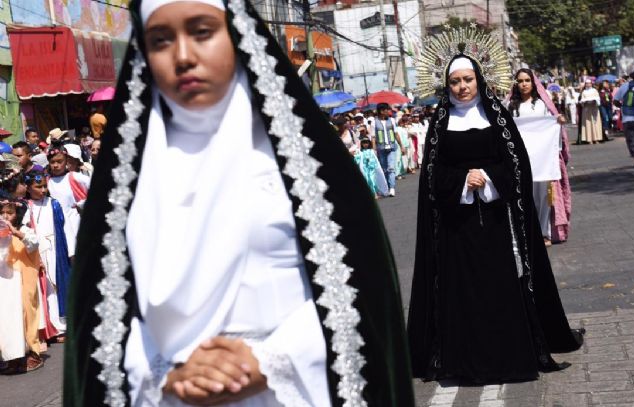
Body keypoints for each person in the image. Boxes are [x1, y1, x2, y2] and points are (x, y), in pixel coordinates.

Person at [64, 0, 413, 405]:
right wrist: (166, 370)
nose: (182, 56)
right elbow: (105, 325)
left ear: (237, 35)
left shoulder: (306, 168)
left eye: (202, 32)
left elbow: (362, 300)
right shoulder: (126, 188)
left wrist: (273, 360)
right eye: (160, 40)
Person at [409, 30, 584, 385]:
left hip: (496, 220)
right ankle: (464, 360)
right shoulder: (440, 125)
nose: (461, 87)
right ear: (446, 84)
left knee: (502, 287)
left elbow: (516, 166)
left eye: (467, 80)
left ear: (479, 79)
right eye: (455, 81)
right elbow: (431, 175)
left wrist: (487, 179)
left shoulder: (499, 119)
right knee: (463, 292)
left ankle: (509, 354)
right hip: (457, 226)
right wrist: (461, 180)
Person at [506, 68, 567, 247]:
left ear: (533, 83)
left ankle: (544, 233)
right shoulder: (510, 106)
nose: (524, 84)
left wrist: (558, 121)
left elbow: (551, 125)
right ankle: (527, 233)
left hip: (542, 158)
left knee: (544, 196)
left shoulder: (542, 104)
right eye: (520, 81)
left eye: (527, 80)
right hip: (521, 158)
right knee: (525, 195)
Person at [23, 171, 69, 344]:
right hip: (34, 251)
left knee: (54, 287)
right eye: (38, 186)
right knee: (39, 290)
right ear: (28, 188)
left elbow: (64, 230)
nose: (43, 190)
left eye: (44, 186)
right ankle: (43, 328)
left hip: (53, 250)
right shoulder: (26, 207)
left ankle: (58, 326)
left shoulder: (53, 204)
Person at [0, 195, 44, 373]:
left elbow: (33, 244)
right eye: (2, 213)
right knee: (8, 319)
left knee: (26, 316)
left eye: (9, 213)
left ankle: (33, 354)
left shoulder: (25, 230)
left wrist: (15, 232)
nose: (4, 216)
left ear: (17, 214)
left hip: (21, 282)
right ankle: (12, 357)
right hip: (5, 283)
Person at [46, 143, 89, 259]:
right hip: (57, 228)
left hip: (75, 225)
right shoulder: (46, 182)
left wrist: (82, 204)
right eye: (52, 162)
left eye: (59, 161)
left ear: (67, 161)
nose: (56, 165)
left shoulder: (73, 177)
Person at [371, 102, 407, 196]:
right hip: (381, 149)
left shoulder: (391, 120)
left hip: (392, 148)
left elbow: (396, 134)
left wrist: (401, 146)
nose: (388, 111)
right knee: (384, 169)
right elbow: (373, 137)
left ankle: (392, 188)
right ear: (382, 111)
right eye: (387, 110)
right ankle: (386, 186)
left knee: (391, 168)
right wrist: (374, 150)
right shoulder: (374, 122)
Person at [579, 79, 603, 144]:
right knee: (588, 124)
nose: (588, 85)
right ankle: (589, 139)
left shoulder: (594, 90)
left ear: (591, 84)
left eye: (589, 83)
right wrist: (584, 102)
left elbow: (598, 98)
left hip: (594, 108)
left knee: (596, 123)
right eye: (586, 83)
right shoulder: (584, 92)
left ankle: (597, 138)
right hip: (587, 109)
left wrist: (595, 101)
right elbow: (581, 100)